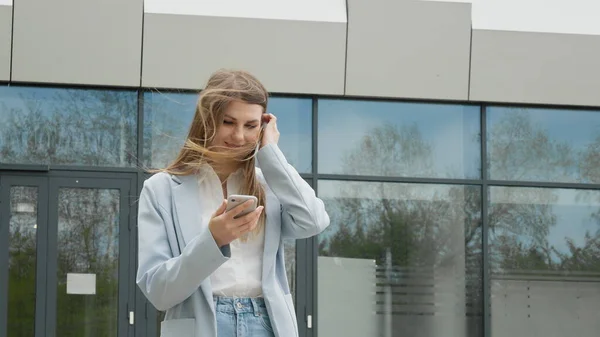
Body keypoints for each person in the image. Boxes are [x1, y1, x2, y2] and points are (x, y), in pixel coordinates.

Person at [136, 69, 330, 337]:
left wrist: (271, 155)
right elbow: (158, 291)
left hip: (267, 324)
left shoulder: (270, 184)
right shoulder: (162, 189)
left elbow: (314, 220)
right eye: (228, 122)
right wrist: (213, 240)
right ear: (207, 119)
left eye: (250, 125)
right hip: (203, 326)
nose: (239, 136)